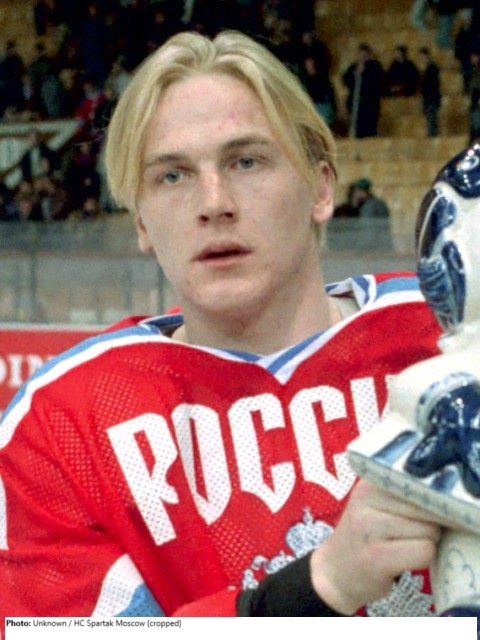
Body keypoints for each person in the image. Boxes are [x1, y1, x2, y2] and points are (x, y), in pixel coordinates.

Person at [0, 30, 448, 619]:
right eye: (173, 176)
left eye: (246, 161)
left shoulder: (445, 338)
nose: (213, 203)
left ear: (321, 187)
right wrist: (321, 587)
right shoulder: (61, 424)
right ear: (141, 222)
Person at [342, 43, 386, 138]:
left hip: (370, 104)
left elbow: (378, 81)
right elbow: (345, 80)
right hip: (356, 104)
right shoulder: (354, 67)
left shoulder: (375, 66)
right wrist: (355, 75)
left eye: (364, 55)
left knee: (369, 130)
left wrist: (364, 74)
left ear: (368, 55)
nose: (362, 57)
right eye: (360, 54)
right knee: (357, 130)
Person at [418, 47, 442, 137]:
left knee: (432, 120)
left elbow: (432, 84)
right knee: (430, 119)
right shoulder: (427, 68)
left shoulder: (432, 68)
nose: (421, 58)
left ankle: (433, 136)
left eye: (422, 56)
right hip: (427, 98)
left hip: (432, 98)